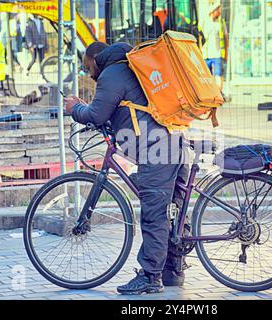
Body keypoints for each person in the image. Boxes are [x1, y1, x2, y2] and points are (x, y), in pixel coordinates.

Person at [64, 41, 190, 295]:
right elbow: (115, 105)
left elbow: (97, 115)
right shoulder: (130, 66)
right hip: (175, 141)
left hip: (156, 150)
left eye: (88, 67)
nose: (88, 73)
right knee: (172, 209)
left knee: (154, 212)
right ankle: (172, 270)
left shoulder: (112, 73)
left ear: (96, 59)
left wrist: (74, 108)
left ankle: (150, 277)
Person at [201, 1, 227, 94]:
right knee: (207, 76)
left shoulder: (221, 22)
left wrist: (226, 53)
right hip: (206, 54)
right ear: (213, 11)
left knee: (218, 75)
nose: (219, 12)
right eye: (218, 10)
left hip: (217, 53)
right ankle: (210, 93)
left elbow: (225, 38)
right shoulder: (204, 22)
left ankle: (219, 93)